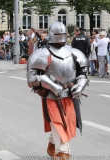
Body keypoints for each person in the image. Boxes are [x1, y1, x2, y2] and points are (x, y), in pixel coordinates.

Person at [27, 21, 89, 159]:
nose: (60, 36)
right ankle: (63, 152)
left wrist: (79, 86)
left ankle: (52, 143)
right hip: (51, 94)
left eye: (62, 33)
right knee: (58, 121)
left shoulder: (74, 52)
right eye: (58, 34)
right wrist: (53, 87)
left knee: (68, 121)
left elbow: (83, 73)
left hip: (70, 93)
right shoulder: (42, 53)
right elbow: (32, 78)